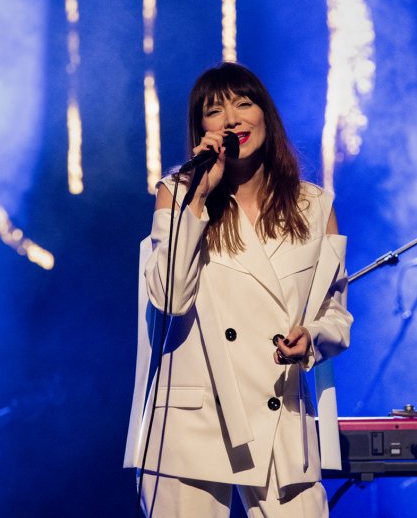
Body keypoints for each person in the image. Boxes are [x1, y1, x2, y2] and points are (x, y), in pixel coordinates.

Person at [125, 62, 354, 517]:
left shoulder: (314, 206)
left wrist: (311, 338)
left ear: (265, 114)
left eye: (243, 104)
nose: (232, 120)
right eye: (215, 111)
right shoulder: (179, 193)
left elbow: (336, 315)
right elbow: (169, 298)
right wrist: (197, 197)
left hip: (281, 419)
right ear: (202, 129)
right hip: (192, 424)